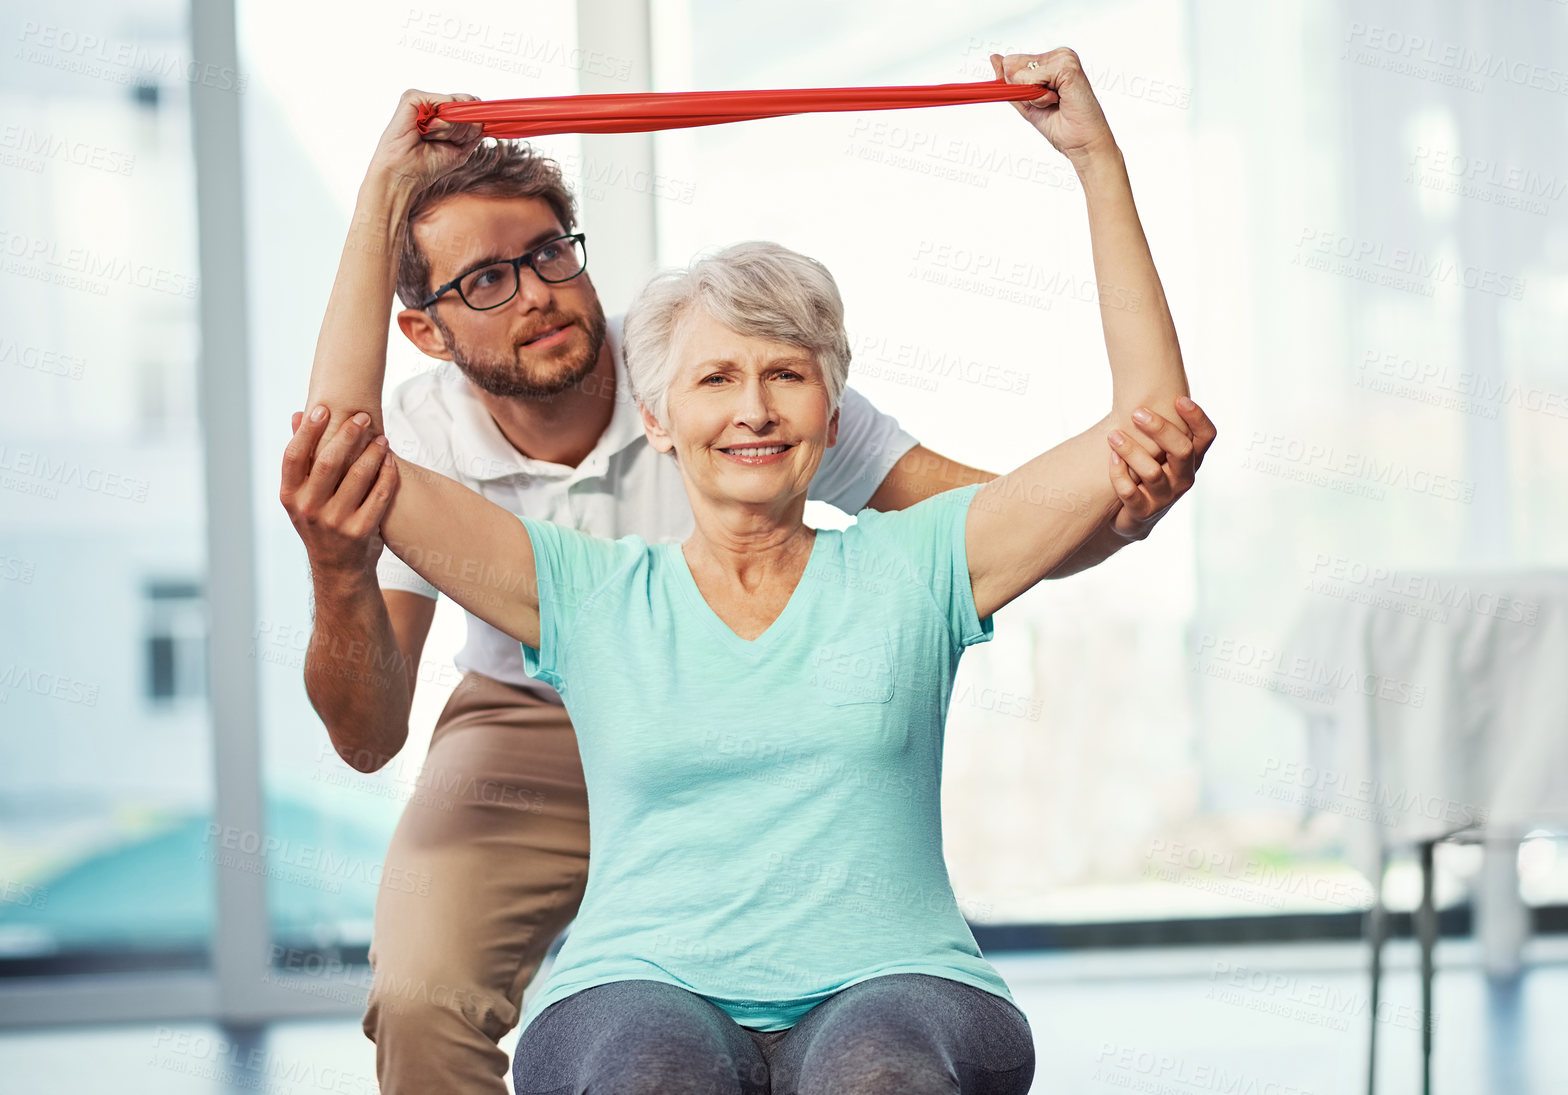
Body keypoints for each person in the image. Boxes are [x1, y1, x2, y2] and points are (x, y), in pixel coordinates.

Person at [280, 54, 1212, 1095]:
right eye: (717, 381)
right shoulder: (583, 582)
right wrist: (379, 194)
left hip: (857, 887)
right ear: (661, 418)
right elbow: (343, 451)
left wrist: (1096, 164)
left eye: (784, 379)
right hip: (532, 727)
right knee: (494, 1022)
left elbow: (1096, 468)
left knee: (880, 1071)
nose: (754, 409)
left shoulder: (905, 556)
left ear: (831, 404)